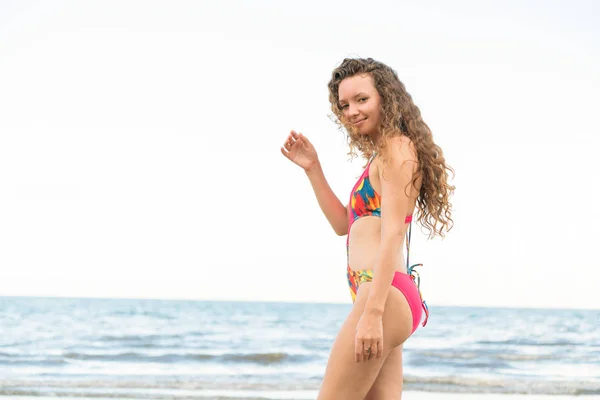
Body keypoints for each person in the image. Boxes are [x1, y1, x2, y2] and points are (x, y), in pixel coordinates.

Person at [280, 57, 454, 399]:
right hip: (381, 294)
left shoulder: (396, 148)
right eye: (344, 104)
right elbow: (343, 225)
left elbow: (392, 235)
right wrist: (313, 168)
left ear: (386, 99)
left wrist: (373, 313)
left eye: (362, 100)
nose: (351, 111)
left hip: (382, 295)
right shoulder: (381, 156)